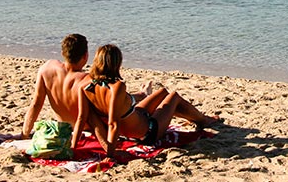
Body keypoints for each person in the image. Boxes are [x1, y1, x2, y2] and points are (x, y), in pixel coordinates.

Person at [71, 44, 221, 158]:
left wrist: (73, 147)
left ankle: (193, 117)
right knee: (174, 97)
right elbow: (113, 122)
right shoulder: (117, 87)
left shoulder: (85, 88)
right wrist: (111, 154)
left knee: (162, 93)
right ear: (117, 64)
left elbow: (81, 118)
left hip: (134, 119)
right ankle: (203, 121)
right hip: (147, 132)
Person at [21, 34, 150, 142]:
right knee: (138, 110)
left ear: (63, 53)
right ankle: (144, 95)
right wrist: (140, 95)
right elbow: (115, 101)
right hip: (85, 128)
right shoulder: (86, 80)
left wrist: (25, 134)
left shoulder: (46, 68)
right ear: (85, 56)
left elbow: (35, 105)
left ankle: (143, 96)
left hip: (65, 126)